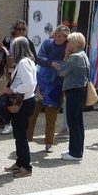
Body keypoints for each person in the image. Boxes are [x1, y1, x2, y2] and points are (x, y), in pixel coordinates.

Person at [27, 25, 69, 153]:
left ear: (66, 37)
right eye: (55, 35)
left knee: (51, 116)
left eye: (60, 36)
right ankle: (26, 140)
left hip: (56, 85)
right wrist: (52, 63)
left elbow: (68, 63)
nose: (57, 38)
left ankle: (49, 142)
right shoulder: (47, 43)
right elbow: (39, 58)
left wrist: (63, 60)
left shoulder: (68, 47)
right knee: (32, 112)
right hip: (42, 83)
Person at [3, 37, 37, 178]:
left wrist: (13, 90)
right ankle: (20, 162)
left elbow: (29, 84)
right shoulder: (26, 61)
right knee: (18, 134)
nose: (11, 50)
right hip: (26, 100)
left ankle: (26, 167)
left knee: (21, 135)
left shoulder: (23, 62)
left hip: (24, 101)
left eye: (13, 47)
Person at [56, 32, 90, 161]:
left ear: (74, 43)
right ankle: (76, 149)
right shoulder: (83, 54)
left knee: (73, 122)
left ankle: (75, 153)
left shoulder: (75, 57)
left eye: (69, 42)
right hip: (80, 90)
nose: (67, 44)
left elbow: (61, 71)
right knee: (78, 122)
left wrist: (65, 56)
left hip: (74, 91)